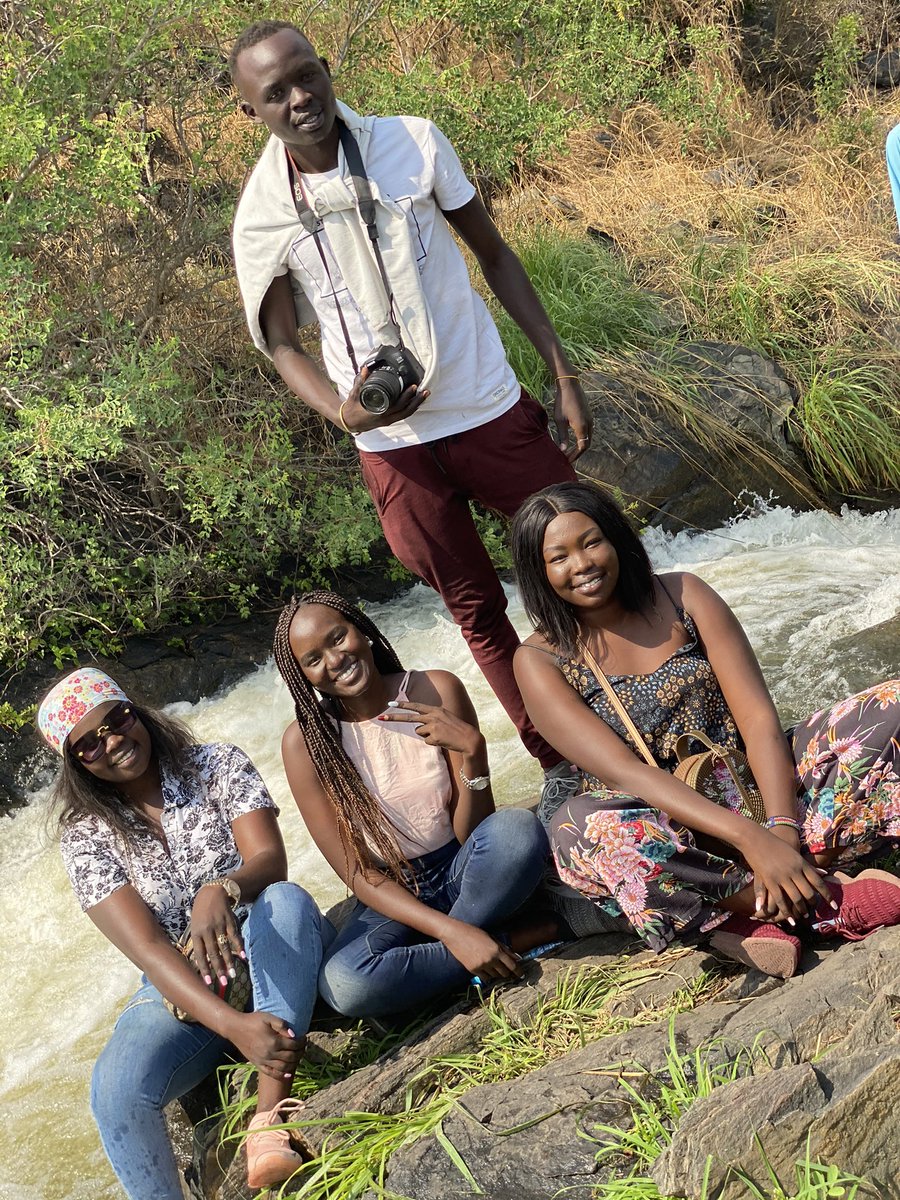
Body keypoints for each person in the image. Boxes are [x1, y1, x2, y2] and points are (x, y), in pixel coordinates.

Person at [229, 19, 591, 816]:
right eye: (275, 93)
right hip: (395, 448)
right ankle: (561, 760)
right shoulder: (261, 216)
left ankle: (643, 702)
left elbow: (495, 255)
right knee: (478, 612)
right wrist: (344, 414)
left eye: (306, 76)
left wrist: (561, 372)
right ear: (250, 111)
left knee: (582, 560)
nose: (299, 98)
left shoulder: (413, 142)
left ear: (327, 69)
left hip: (488, 406)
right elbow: (281, 342)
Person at [509, 481, 900, 979]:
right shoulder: (539, 660)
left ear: (615, 539)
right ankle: (805, 902)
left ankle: (780, 880)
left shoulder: (682, 594)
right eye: (558, 557)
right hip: (667, 829)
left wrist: (780, 830)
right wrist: (751, 841)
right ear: (538, 571)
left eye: (591, 542)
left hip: (753, 788)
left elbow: (756, 716)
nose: (582, 564)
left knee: (891, 705)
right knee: (580, 825)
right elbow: (626, 774)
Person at [38, 668, 329, 1198]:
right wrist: (233, 1027)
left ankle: (268, 1124)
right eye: (89, 744)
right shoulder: (84, 838)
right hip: (184, 981)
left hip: (267, 936)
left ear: (136, 712)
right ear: (76, 763)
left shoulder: (216, 764)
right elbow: (149, 950)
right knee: (115, 1091)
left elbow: (270, 860)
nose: (113, 741)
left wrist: (221, 889)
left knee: (286, 900)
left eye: (117, 719)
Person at [272, 590, 554, 1017]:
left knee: (516, 832)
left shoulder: (435, 689)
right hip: (394, 894)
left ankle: (428, 967)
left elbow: (472, 833)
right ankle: (509, 940)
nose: (334, 659)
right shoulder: (305, 744)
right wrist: (453, 933)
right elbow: (357, 873)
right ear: (302, 676)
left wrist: (474, 753)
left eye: (338, 638)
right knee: (344, 983)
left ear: (361, 630)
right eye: (313, 659)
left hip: (462, 867)